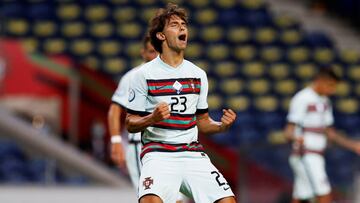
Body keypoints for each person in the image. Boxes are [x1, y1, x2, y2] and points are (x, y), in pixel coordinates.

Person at [126, 3, 237, 203]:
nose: (182, 28)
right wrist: (153, 118)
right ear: (161, 35)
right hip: (158, 154)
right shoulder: (143, 75)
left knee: (227, 200)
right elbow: (130, 123)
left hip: (191, 153)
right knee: (150, 201)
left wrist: (221, 126)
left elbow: (202, 121)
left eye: (184, 24)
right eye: (175, 25)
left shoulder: (198, 74)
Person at [284, 67, 360, 203]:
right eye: (330, 85)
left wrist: (353, 145)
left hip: (316, 154)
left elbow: (330, 133)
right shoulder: (302, 98)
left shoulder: (325, 102)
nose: (332, 90)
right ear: (320, 81)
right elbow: (288, 130)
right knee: (324, 194)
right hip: (305, 154)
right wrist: (295, 137)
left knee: (301, 197)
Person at [108, 35, 157, 190]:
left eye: (158, 51)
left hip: (168, 145)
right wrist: (116, 141)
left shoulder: (172, 75)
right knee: (149, 197)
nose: (155, 56)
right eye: (151, 51)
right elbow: (115, 109)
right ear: (143, 53)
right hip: (140, 145)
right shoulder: (132, 77)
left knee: (176, 198)